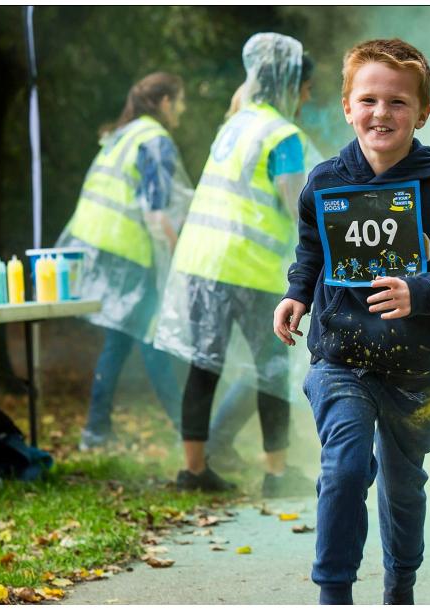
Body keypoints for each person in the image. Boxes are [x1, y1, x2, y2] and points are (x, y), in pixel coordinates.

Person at [273, 39, 430, 605]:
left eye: (398, 102)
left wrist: (418, 293)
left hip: (416, 371)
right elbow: (310, 249)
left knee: (402, 486)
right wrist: (297, 293)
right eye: (368, 99)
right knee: (344, 470)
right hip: (341, 358)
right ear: (347, 106)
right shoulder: (324, 184)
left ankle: (400, 588)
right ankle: (334, 593)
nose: (382, 113)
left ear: (423, 112)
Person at [155, 33, 316, 496]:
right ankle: (277, 473)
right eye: (305, 88)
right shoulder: (283, 136)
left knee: (203, 367)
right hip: (250, 268)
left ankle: (193, 470)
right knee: (272, 368)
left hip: (203, 261)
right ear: (291, 83)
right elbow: (297, 207)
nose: (307, 97)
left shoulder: (237, 123)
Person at [57, 72, 193, 450]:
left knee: (118, 340)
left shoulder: (124, 134)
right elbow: (155, 210)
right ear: (165, 101)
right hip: (127, 250)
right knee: (151, 339)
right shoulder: (154, 139)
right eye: (180, 100)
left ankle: (95, 431)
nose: (182, 108)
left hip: (96, 246)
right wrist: (178, 250)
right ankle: (190, 434)